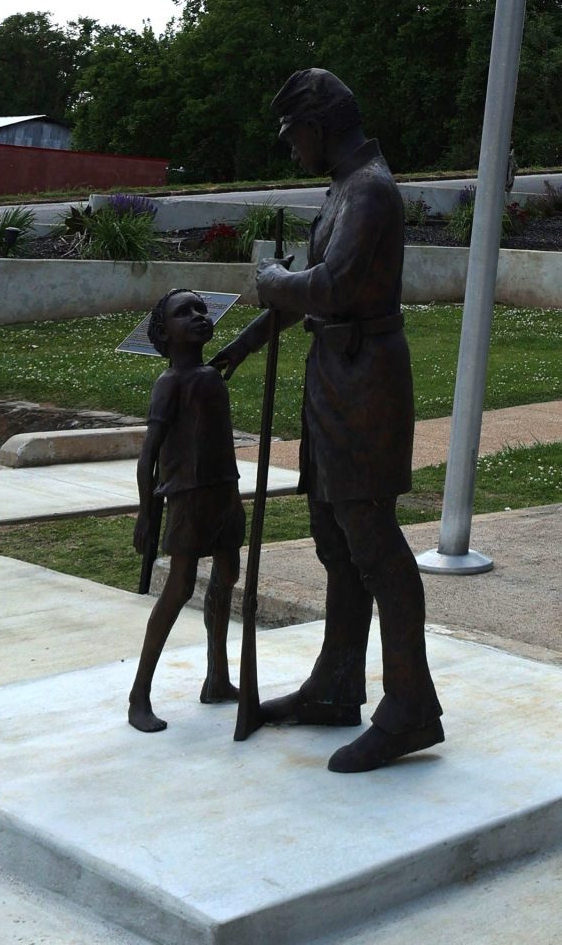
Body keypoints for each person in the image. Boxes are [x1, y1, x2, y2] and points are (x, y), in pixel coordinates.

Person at [210, 68, 443, 773]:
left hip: (365, 378)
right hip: (336, 376)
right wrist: (246, 343)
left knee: (372, 541)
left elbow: (333, 287)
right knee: (335, 540)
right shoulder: (342, 188)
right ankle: (337, 684)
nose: (289, 148)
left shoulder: (370, 191)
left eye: (292, 134)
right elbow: (312, 298)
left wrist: (273, 282)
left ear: (319, 127)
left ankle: (409, 708)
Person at [129, 289, 244, 733]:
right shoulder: (169, 383)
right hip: (188, 497)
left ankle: (217, 676)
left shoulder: (212, 376)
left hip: (224, 492)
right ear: (163, 332)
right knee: (178, 588)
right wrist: (145, 511)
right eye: (185, 312)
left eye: (202, 309)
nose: (198, 316)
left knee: (228, 575)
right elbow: (148, 455)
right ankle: (139, 694)